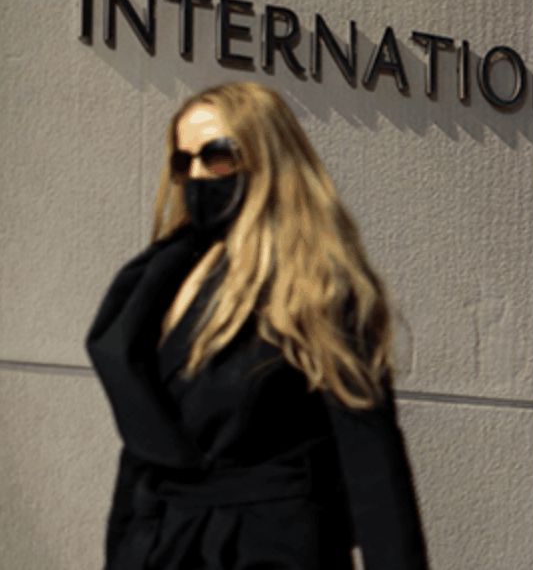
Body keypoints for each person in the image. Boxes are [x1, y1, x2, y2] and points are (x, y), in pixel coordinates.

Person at [85, 82, 430, 570]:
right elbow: (142, 458)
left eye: (218, 156)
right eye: (185, 162)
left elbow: (372, 468)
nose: (200, 175)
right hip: (166, 546)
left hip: (272, 549)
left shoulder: (317, 288)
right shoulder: (157, 283)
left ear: (267, 157)